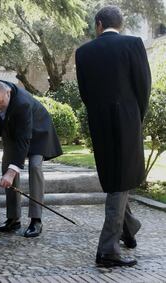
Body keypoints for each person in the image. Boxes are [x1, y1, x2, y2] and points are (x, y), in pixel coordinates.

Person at [75, 5, 151, 268]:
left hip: (99, 123)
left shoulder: (83, 52)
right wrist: (135, 116)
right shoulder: (133, 44)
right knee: (121, 180)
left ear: (98, 25)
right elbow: (143, 86)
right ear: (120, 24)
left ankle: (129, 228)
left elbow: (85, 93)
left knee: (116, 176)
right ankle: (107, 250)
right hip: (128, 120)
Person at [0, 80, 62, 237]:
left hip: (37, 132)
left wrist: (12, 173)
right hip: (13, 131)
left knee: (34, 167)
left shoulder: (22, 103)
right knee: (7, 166)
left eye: (0, 102)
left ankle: (36, 219)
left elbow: (24, 140)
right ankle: (13, 219)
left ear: (8, 93)